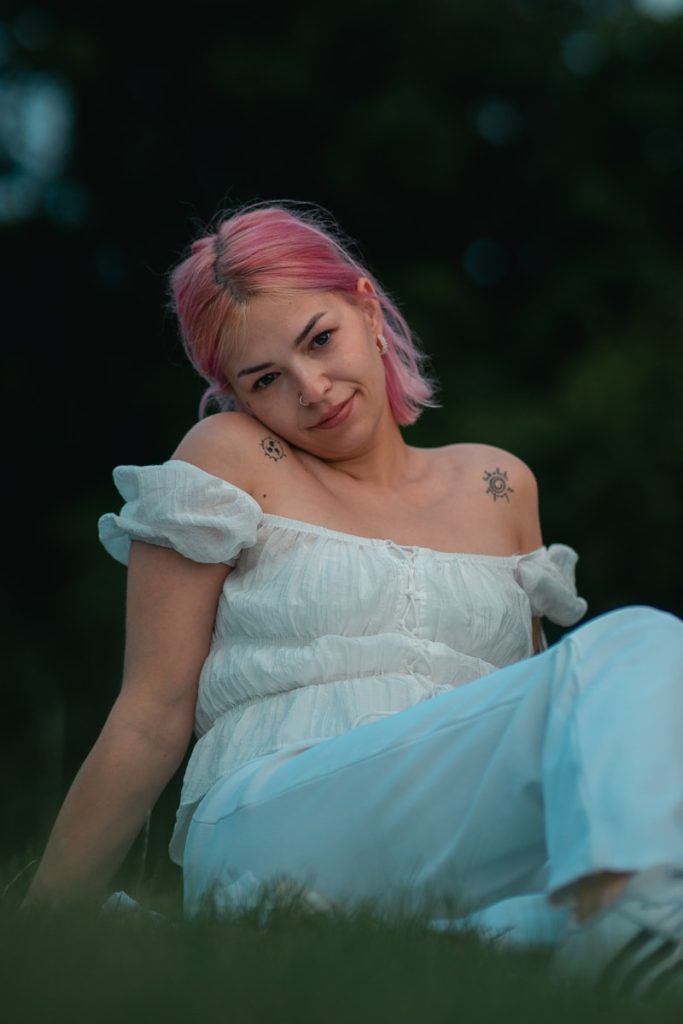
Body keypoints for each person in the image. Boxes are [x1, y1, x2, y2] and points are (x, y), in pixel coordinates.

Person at [24, 201, 683, 996]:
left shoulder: (496, 482)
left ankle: (538, 933)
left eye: (319, 340)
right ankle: (634, 925)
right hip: (279, 809)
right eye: (265, 379)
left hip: (449, 827)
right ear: (234, 394)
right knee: (634, 640)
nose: (311, 389)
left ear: (367, 308)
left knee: (638, 663)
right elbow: (151, 712)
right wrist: (41, 925)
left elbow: (534, 713)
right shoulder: (233, 458)